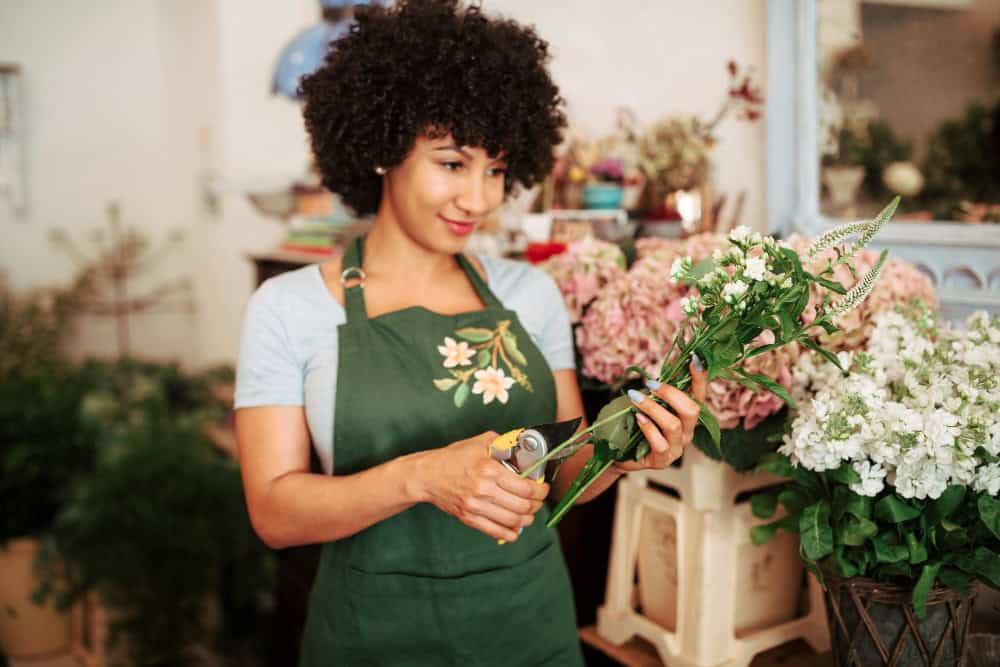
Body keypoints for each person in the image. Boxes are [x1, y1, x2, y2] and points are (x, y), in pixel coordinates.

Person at [234, 1, 708, 665]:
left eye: (495, 170)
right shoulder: (290, 309)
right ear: (380, 147)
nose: (480, 200)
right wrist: (423, 476)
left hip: (528, 630)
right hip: (373, 641)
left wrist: (628, 450)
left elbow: (566, 464)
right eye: (452, 163)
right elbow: (275, 511)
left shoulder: (529, 296)